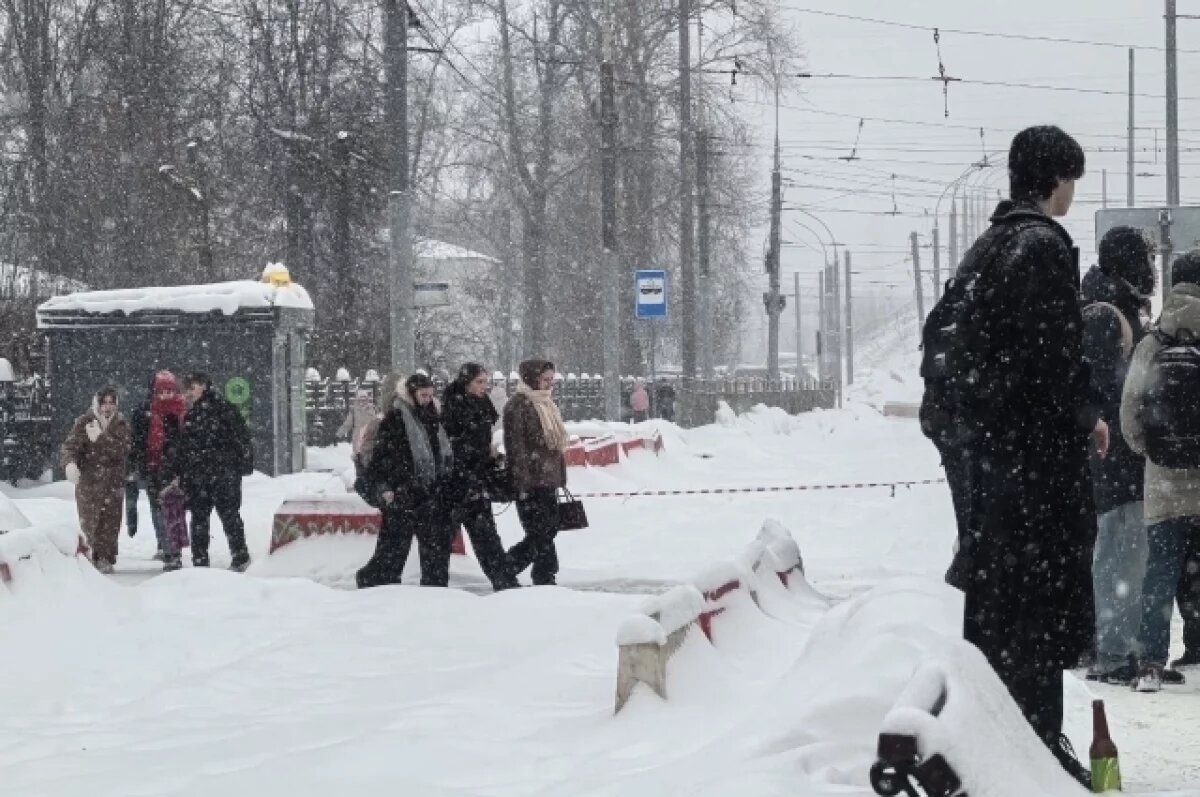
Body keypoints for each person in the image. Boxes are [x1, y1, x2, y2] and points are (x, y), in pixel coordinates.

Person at [942, 126, 1102, 787]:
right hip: (1035, 471)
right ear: (1054, 179)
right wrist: (1086, 414)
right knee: (1040, 612)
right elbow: (1053, 356)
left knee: (1003, 612)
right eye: (1071, 180)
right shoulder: (1041, 245)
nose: (1072, 193)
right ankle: (1034, 749)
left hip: (993, 468)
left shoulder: (989, 245)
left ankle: (1011, 739)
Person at [1121, 250, 1200, 692]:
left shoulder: (1154, 341)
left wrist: (1152, 453)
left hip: (1164, 483)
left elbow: (1130, 410)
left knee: (1161, 572)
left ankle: (1151, 661)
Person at [1080, 225, 1155, 684]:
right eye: (1143, 257)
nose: (1149, 267)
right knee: (1120, 556)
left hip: (1121, 458)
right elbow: (1111, 388)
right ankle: (1112, 651)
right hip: (1117, 459)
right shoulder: (1106, 314)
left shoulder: (1113, 306)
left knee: (1125, 555)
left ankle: (1117, 646)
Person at [357, 373, 454, 589]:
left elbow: (440, 452)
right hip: (403, 494)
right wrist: (401, 484)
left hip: (429, 493)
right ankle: (377, 584)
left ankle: (435, 589)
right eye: (423, 395)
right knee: (394, 547)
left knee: (435, 547)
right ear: (411, 394)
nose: (428, 399)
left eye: (430, 395)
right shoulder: (396, 418)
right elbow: (385, 458)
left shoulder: (432, 418)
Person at [442, 364, 520, 591]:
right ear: (466, 382)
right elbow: (453, 446)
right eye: (479, 382)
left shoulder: (482, 405)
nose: (483, 387)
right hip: (456, 484)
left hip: (477, 481)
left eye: (485, 382)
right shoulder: (454, 406)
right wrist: (471, 461)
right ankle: (433, 587)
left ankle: (505, 582)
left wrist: (491, 457)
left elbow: (481, 441)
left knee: (487, 538)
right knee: (441, 540)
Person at [179, 372, 253, 571]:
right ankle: (235, 555)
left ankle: (204, 560)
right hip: (210, 476)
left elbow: (241, 440)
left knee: (212, 518)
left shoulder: (217, 411)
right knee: (217, 518)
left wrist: (234, 467)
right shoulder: (207, 412)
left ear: (203, 386)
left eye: (192, 388)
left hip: (216, 475)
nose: (189, 393)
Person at [504, 359, 569, 586]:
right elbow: (516, 448)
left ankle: (544, 573)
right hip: (530, 481)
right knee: (540, 532)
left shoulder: (547, 404)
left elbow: (556, 445)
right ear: (532, 379)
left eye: (552, 379)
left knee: (549, 530)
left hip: (548, 479)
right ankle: (509, 566)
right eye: (545, 380)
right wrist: (521, 483)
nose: (550, 384)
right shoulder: (518, 405)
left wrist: (560, 475)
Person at [62, 387, 131, 574]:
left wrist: (101, 438)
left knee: (111, 523)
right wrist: (70, 464)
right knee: (90, 522)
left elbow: (122, 450)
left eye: (111, 402)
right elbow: (70, 446)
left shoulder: (121, 423)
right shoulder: (84, 421)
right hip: (89, 483)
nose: (107, 407)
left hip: (113, 483)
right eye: (104, 402)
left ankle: (105, 557)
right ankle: (89, 556)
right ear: (97, 403)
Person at [128, 371, 188, 571]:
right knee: (157, 508)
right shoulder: (145, 411)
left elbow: (186, 441)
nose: (166, 395)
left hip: (175, 470)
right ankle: (165, 545)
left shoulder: (182, 411)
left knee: (172, 510)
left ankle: (173, 552)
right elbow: (136, 441)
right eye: (162, 391)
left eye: (169, 390)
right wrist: (137, 464)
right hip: (153, 468)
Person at [337, 389, 376, 474]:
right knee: (358, 460)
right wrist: (338, 434)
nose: (363, 401)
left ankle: (369, 479)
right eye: (360, 399)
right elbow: (348, 424)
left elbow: (378, 422)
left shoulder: (373, 409)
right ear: (357, 400)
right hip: (357, 440)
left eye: (364, 399)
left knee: (370, 459)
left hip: (370, 438)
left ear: (367, 399)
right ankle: (360, 477)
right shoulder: (354, 411)